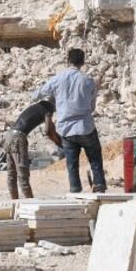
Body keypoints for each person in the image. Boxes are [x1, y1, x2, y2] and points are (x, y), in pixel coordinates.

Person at [35, 48, 107, 193]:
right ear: (83, 62)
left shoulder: (57, 79)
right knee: (95, 159)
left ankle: (75, 189)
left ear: (68, 61)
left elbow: (37, 94)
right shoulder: (88, 81)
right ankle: (99, 185)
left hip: (66, 129)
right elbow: (92, 107)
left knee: (72, 164)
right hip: (85, 126)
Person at [4, 99, 60, 200]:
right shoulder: (48, 109)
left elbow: (51, 129)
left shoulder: (37, 107)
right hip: (18, 138)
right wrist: (58, 141)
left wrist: (55, 136)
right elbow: (48, 130)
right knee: (23, 174)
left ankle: (14, 203)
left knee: (11, 174)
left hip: (9, 135)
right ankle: (30, 203)